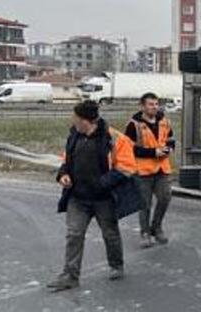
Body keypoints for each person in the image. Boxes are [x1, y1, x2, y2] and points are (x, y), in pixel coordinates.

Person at [47, 100, 141, 291]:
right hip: (77, 197)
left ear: (86, 121)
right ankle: (70, 275)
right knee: (74, 234)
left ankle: (116, 265)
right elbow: (67, 160)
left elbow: (127, 168)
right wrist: (63, 174)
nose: (73, 121)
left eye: (75, 118)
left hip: (103, 199)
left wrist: (102, 184)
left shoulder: (114, 138)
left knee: (110, 233)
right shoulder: (74, 135)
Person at [124, 92, 175, 247]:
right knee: (144, 204)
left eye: (156, 104)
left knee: (165, 197)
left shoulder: (164, 121)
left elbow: (170, 139)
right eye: (150, 104)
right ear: (143, 106)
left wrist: (170, 149)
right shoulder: (134, 125)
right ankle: (145, 232)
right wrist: (153, 152)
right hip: (143, 170)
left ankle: (156, 227)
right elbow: (129, 149)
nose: (154, 107)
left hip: (162, 168)